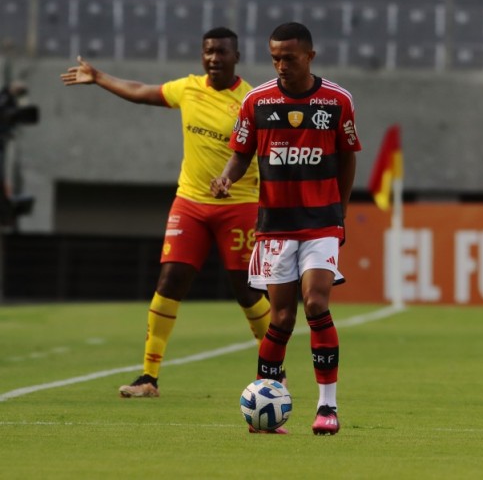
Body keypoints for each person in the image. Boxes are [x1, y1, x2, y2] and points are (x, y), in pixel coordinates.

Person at [60, 27, 270, 398]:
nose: (213, 58)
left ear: (236, 56)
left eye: (221, 52)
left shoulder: (251, 101)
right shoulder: (188, 88)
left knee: (246, 290)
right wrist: (99, 77)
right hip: (189, 201)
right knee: (170, 281)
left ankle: (273, 370)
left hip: (238, 205)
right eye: (208, 51)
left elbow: (262, 152)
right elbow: (142, 93)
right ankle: (148, 378)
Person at [211, 22, 360, 435]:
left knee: (315, 303)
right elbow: (241, 154)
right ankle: (269, 405)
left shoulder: (337, 101)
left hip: (321, 223)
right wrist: (226, 178)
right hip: (275, 226)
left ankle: (327, 408)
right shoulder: (256, 102)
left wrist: (340, 213)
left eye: (289, 58)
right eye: (275, 57)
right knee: (280, 318)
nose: (280, 65)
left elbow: (348, 157)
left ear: (310, 56)